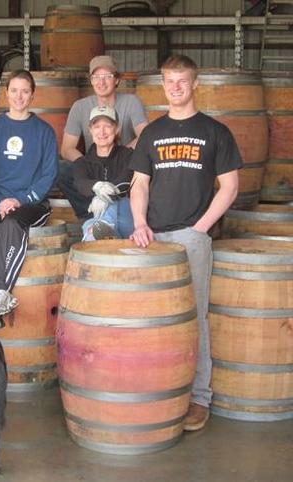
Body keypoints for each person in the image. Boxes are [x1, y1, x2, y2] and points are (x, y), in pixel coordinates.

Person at [129, 54, 242, 432]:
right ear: (162, 85)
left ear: (195, 84)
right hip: (153, 238)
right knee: (151, 317)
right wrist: (140, 222)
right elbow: (140, 183)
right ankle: (157, 388)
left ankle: (198, 397)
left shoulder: (215, 131)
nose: (175, 87)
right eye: (169, 81)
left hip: (191, 237)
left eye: (182, 81)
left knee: (195, 318)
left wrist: (201, 228)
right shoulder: (152, 133)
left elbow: (230, 186)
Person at [0, 69, 58, 316]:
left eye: (25, 91)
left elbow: (48, 174)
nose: (19, 96)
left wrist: (21, 200)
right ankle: (0, 293)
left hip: (32, 203)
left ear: (33, 95)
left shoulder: (44, 131)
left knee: (10, 225)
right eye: (14, 91)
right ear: (6, 93)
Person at [58, 55, 147, 219]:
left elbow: (145, 136)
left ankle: (113, 211)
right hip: (93, 167)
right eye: (96, 77)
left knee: (145, 168)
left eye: (107, 76)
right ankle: (90, 213)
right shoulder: (80, 106)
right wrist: (85, 165)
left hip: (123, 168)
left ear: (117, 80)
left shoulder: (131, 102)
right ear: (91, 80)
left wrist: (121, 154)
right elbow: (67, 148)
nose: (102, 82)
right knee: (60, 169)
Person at [73, 105, 133, 241]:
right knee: (90, 229)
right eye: (97, 127)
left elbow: (128, 177)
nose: (102, 131)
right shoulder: (82, 162)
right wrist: (97, 186)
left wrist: (106, 195)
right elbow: (80, 182)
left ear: (117, 129)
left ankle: (103, 225)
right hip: (95, 217)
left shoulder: (129, 155)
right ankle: (99, 231)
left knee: (117, 200)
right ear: (90, 130)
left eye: (107, 126)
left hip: (127, 219)